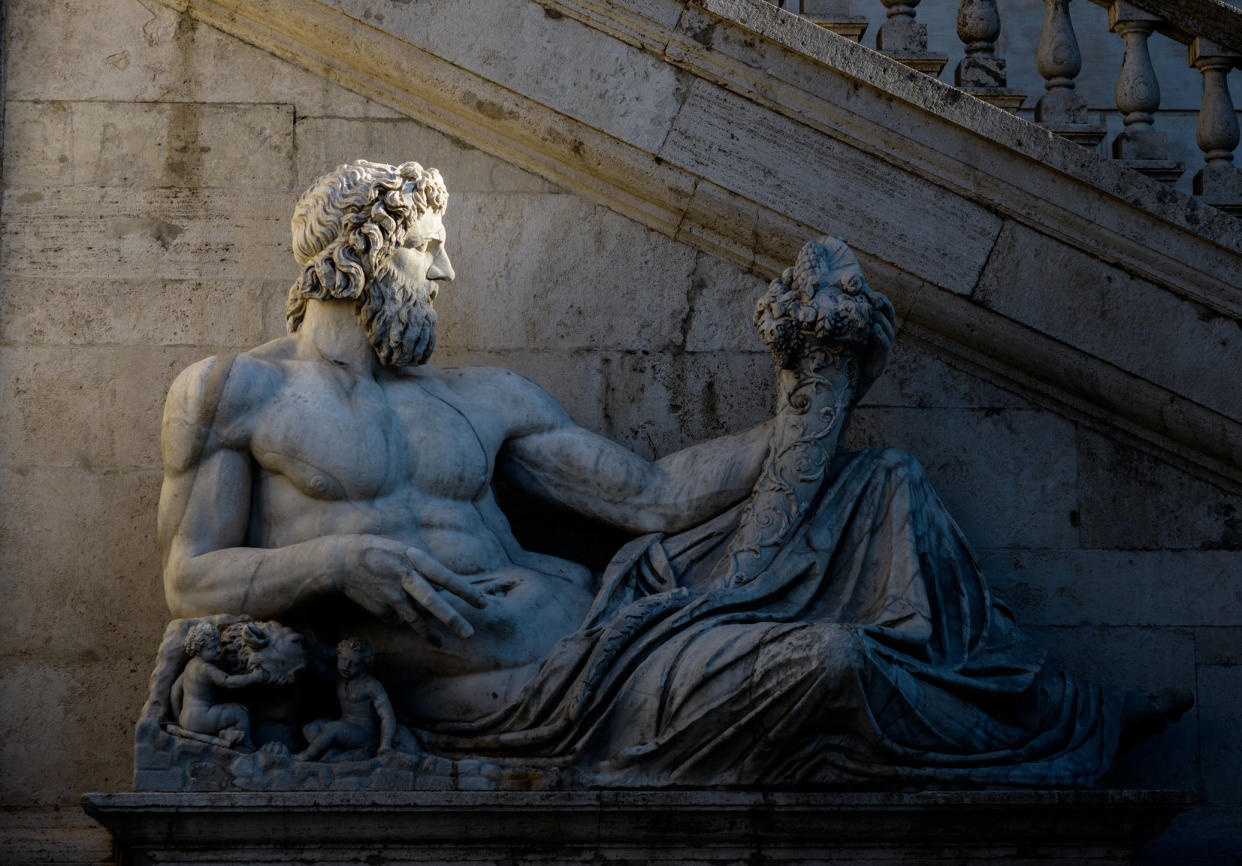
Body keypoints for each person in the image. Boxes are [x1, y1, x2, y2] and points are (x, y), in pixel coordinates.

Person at [157, 159, 1182, 786]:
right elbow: (190, 577)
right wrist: (337, 557)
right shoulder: (233, 393)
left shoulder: (483, 400)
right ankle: (1039, 734)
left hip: (620, 623)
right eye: (429, 249)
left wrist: (803, 397)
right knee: (831, 664)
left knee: (882, 482)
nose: (447, 273)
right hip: (517, 695)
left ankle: (1042, 710)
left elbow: (652, 496)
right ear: (368, 254)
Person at [295, 637, 397, 761]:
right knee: (309, 728)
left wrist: (385, 744)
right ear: (338, 656)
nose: (346, 666)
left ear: (365, 665)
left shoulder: (371, 685)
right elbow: (322, 671)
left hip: (364, 735)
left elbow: (387, 716)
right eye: (343, 659)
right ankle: (333, 753)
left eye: (354, 663)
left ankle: (307, 755)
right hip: (344, 728)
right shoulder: (340, 680)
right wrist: (305, 653)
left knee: (333, 728)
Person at [173, 621, 269, 748]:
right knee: (239, 712)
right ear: (199, 649)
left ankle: (228, 734)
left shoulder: (189, 666)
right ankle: (245, 745)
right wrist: (253, 677)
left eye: (218, 645)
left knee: (225, 710)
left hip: (185, 719)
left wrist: (178, 717)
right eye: (213, 648)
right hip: (201, 719)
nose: (219, 650)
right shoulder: (206, 669)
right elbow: (229, 682)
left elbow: (175, 690)